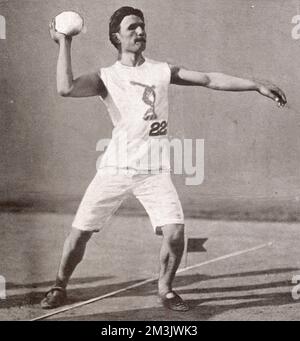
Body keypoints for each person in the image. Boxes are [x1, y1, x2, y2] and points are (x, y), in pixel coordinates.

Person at [41, 6, 287, 312]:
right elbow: (65, 88)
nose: (140, 32)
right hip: (115, 169)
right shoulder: (106, 77)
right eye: (132, 28)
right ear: (116, 37)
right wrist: (64, 41)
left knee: (176, 232)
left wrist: (255, 84)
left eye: (142, 26)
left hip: (154, 171)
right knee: (80, 234)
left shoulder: (160, 70)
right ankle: (59, 285)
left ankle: (166, 288)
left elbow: (209, 78)